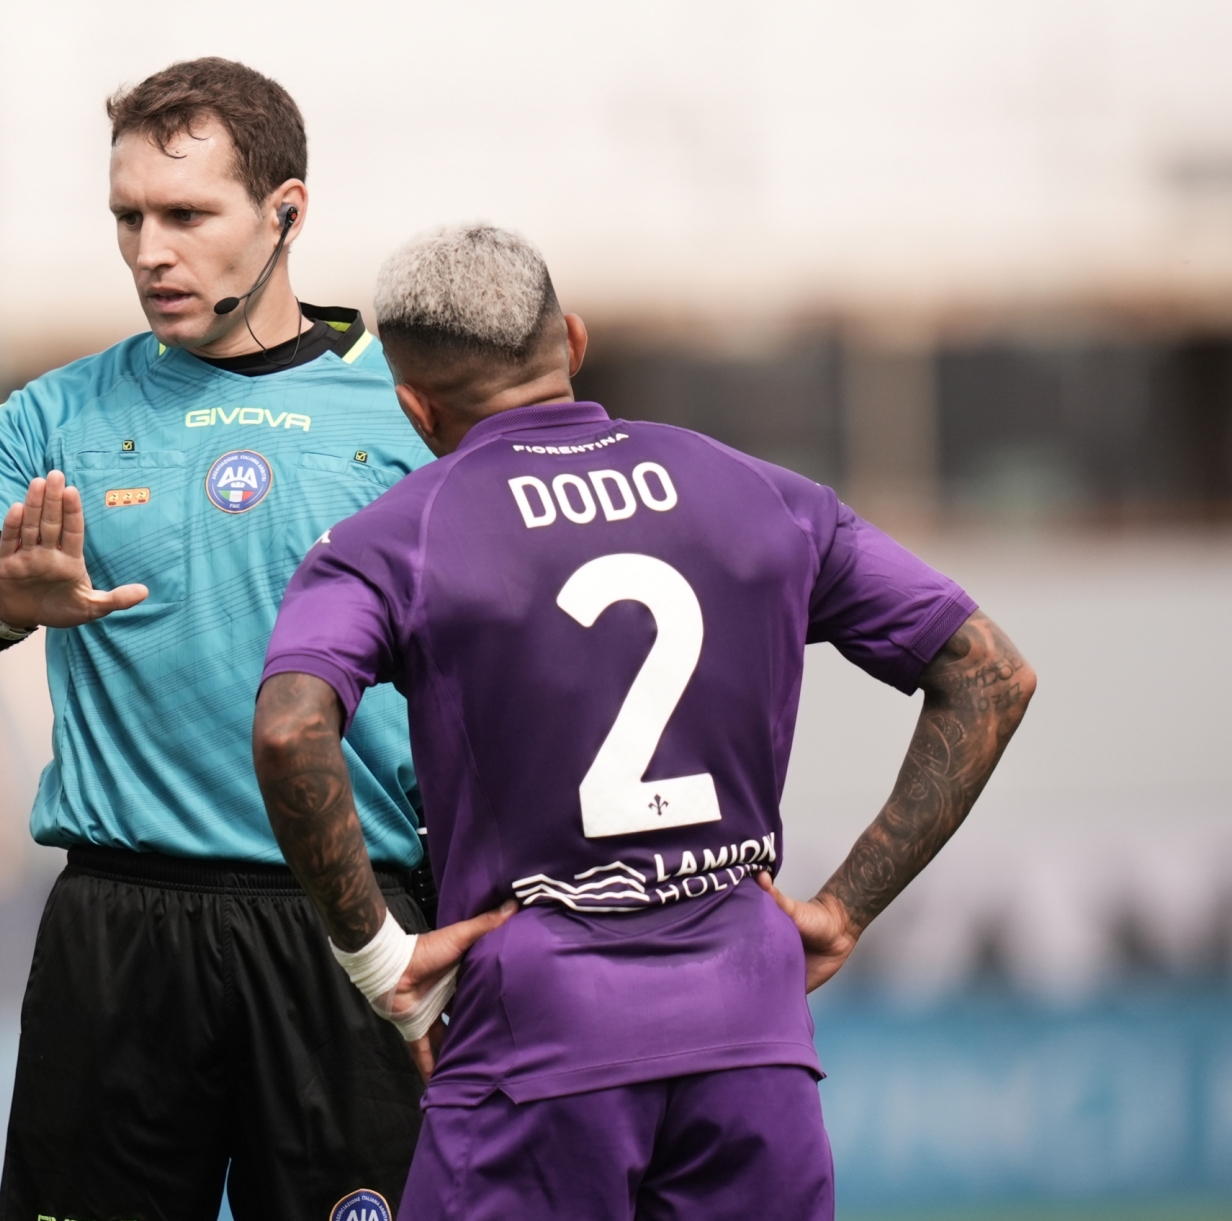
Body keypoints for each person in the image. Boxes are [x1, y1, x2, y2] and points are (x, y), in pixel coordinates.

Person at [254, 224, 1037, 1220]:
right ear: (573, 342)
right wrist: (843, 907)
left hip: (536, 1041)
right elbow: (992, 674)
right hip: (751, 1030)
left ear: (415, 408)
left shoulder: (394, 538)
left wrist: (380, 959)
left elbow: (289, 731)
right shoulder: (763, 494)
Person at [0, 58, 437, 1221]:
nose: (150, 251)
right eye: (128, 217)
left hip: (355, 921)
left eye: (187, 215)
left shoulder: (416, 409)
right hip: (120, 929)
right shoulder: (53, 416)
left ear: (286, 212)